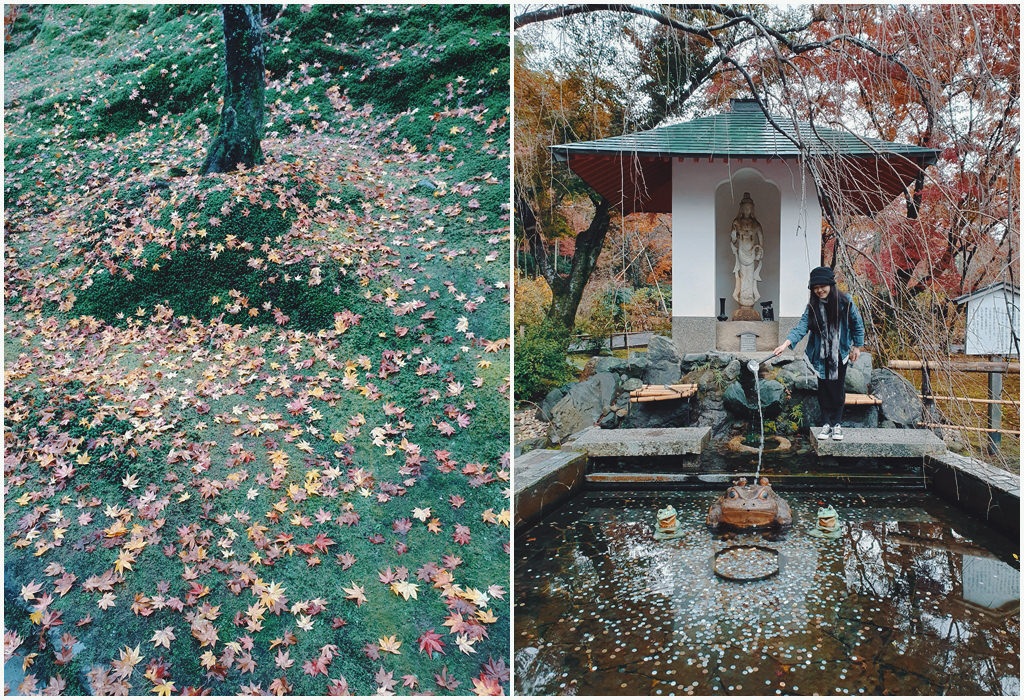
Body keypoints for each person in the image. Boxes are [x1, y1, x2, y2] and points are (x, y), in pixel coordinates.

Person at [771, 266, 865, 441]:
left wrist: (857, 346)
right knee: (823, 389)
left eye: (822, 286)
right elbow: (801, 327)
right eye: (815, 287)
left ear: (831, 284)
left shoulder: (846, 302)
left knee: (837, 388)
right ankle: (826, 423)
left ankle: (837, 424)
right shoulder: (812, 306)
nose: (819, 290)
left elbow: (856, 324)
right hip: (820, 355)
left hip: (840, 352)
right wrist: (785, 344)